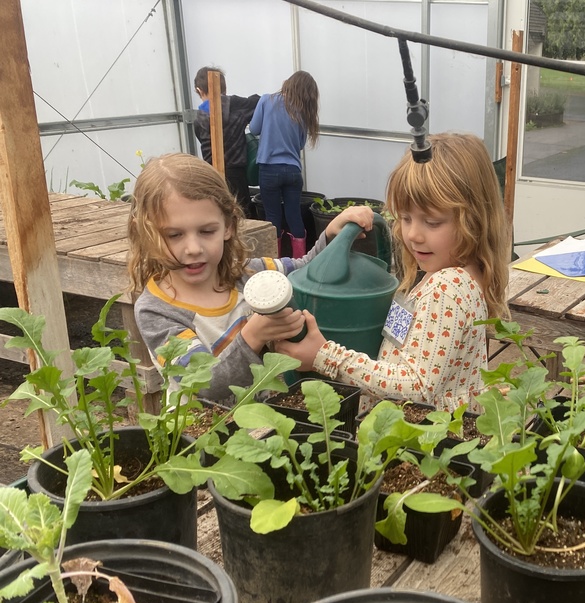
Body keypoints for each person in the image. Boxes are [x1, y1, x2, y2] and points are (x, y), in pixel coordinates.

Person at [276, 132, 511, 411]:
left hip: (425, 440)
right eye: (406, 217)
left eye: (432, 222)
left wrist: (325, 356)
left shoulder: (447, 287)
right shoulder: (459, 274)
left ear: (475, 219)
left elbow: (417, 388)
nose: (413, 234)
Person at [127, 153, 373, 404]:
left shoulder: (248, 275)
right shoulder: (157, 311)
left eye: (206, 231)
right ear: (144, 233)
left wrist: (331, 236)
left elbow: (304, 270)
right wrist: (253, 337)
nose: (193, 248)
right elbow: (203, 386)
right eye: (174, 235)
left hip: (264, 426)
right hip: (203, 435)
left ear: (228, 226)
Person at [249, 70, 320, 258]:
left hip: (269, 170)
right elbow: (301, 144)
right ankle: (300, 262)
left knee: (273, 217)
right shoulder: (303, 112)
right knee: (294, 215)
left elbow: (254, 128)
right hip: (293, 171)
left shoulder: (266, 100)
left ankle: (275, 264)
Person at [192, 67, 260, 215]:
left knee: (219, 215)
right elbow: (259, 103)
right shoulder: (235, 105)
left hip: (212, 176)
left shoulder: (199, 119)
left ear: (199, 90)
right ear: (224, 87)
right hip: (237, 174)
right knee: (243, 216)